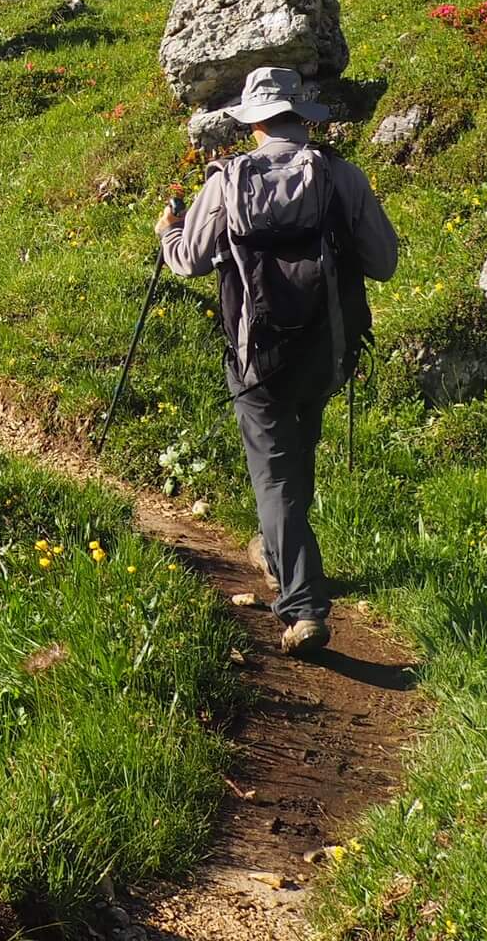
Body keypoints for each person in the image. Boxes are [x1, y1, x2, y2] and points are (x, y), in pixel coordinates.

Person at [155, 65, 400, 655]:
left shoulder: (229, 180)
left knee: (273, 474)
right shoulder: (340, 176)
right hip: (328, 350)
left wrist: (168, 232)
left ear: (254, 121)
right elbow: (385, 261)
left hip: (254, 351)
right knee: (297, 454)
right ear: (301, 117)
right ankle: (279, 554)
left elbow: (189, 260)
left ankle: (304, 606)